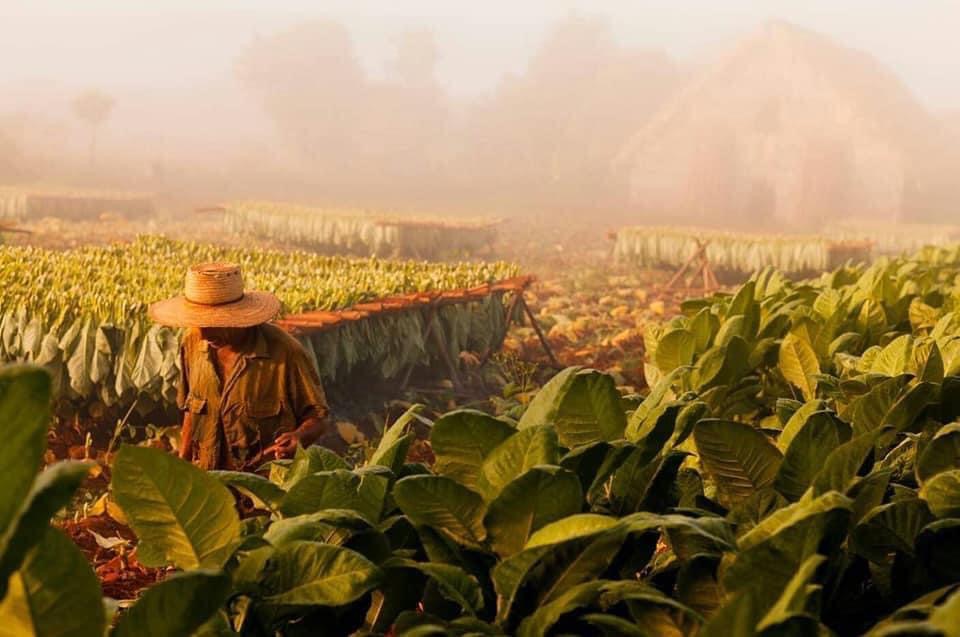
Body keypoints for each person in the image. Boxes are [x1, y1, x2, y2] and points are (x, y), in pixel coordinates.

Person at [149, 262, 329, 470]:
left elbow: (318, 418)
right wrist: (183, 462)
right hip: (209, 483)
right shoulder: (192, 341)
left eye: (214, 324)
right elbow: (191, 410)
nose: (205, 335)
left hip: (261, 488)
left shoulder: (284, 351)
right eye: (199, 323)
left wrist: (298, 437)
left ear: (238, 316)